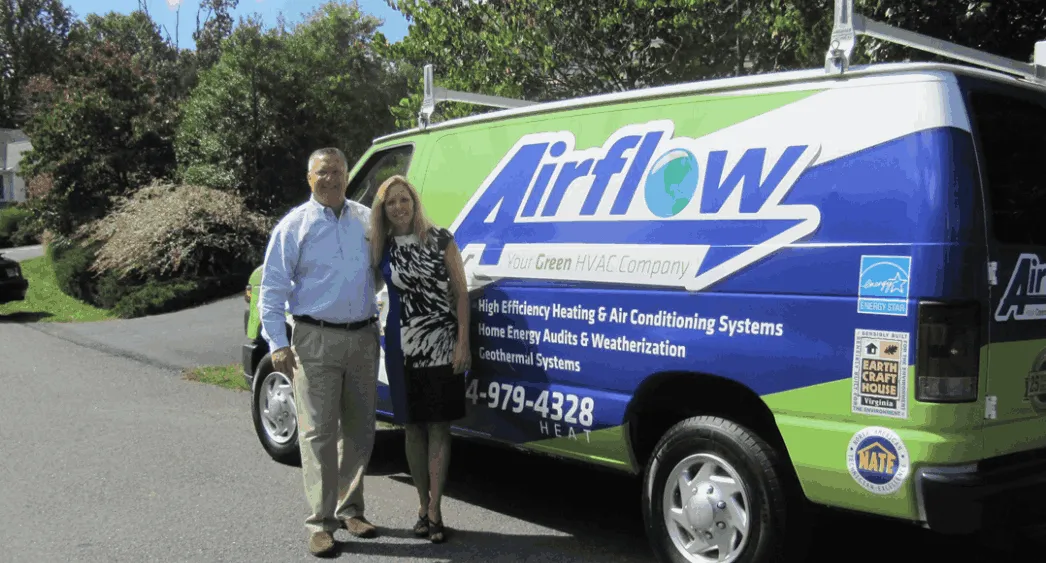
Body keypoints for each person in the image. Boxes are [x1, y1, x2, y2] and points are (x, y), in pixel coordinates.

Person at [257, 147, 382, 557]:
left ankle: (351, 510)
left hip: (363, 337)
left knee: (360, 429)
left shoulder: (366, 219)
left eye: (339, 172)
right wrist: (277, 343)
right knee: (318, 434)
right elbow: (272, 289)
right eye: (323, 172)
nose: (332, 179)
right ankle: (320, 523)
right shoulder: (295, 226)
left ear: (348, 176)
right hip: (314, 339)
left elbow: (381, 272)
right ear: (309, 178)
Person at [368, 174, 470, 544]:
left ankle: (435, 509)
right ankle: (421, 505)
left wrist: (463, 342)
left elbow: (461, 293)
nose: (398, 207)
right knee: (412, 427)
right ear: (383, 209)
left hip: (442, 343)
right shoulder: (382, 247)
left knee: (439, 427)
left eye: (403, 199)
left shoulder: (441, 238)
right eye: (390, 202)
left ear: (414, 202)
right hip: (400, 345)